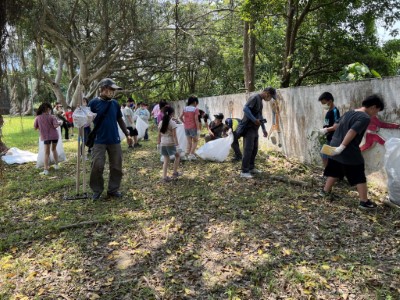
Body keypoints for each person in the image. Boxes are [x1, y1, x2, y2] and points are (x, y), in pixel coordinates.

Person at [319, 94, 385, 210]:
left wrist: (326, 131)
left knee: (335, 168)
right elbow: (352, 131)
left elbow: (336, 125)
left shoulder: (350, 112)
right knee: (358, 171)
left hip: (334, 144)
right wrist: (342, 147)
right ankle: (364, 202)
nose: (376, 114)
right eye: (377, 111)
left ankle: (325, 191)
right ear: (373, 107)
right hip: (346, 147)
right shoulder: (365, 117)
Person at [88, 78, 132, 200]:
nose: (112, 92)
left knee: (117, 166)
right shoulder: (93, 103)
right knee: (97, 165)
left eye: (114, 90)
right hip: (98, 140)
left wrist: (127, 134)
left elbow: (120, 119)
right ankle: (97, 190)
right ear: (102, 89)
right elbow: (87, 120)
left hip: (114, 140)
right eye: (110, 89)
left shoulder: (115, 104)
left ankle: (113, 190)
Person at [238, 87, 276, 178]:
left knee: (254, 149)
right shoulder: (254, 97)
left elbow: (260, 115)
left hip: (255, 129)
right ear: (266, 93)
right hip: (248, 128)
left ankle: (251, 167)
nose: (270, 99)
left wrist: (263, 129)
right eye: (270, 97)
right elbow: (245, 109)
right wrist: (254, 120)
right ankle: (244, 171)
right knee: (248, 149)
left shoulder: (260, 101)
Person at [34, 102, 60, 175]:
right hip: (55, 136)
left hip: (46, 137)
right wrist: (59, 123)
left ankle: (46, 170)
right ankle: (56, 165)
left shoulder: (38, 117)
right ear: (48, 109)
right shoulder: (52, 117)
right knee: (54, 149)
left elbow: (35, 127)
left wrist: (41, 127)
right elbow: (55, 125)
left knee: (46, 153)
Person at [157, 106, 182, 182]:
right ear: (172, 114)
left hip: (163, 143)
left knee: (166, 160)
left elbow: (159, 135)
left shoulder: (161, 122)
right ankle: (174, 173)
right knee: (177, 156)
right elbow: (174, 136)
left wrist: (158, 144)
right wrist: (177, 146)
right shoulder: (172, 123)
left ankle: (164, 177)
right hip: (170, 143)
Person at [318, 92, 340, 167]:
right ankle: (328, 174)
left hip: (333, 138)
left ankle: (331, 175)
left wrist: (326, 130)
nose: (323, 105)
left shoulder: (335, 111)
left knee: (329, 157)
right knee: (324, 155)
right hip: (329, 138)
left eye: (324, 103)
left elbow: (336, 126)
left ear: (330, 101)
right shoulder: (329, 111)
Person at [180, 96, 201, 160]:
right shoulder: (195, 109)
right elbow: (196, 120)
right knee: (195, 141)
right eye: (197, 103)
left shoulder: (185, 108)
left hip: (186, 127)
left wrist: (184, 123)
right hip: (193, 127)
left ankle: (187, 154)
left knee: (189, 142)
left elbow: (180, 117)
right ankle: (191, 154)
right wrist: (198, 129)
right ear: (195, 102)